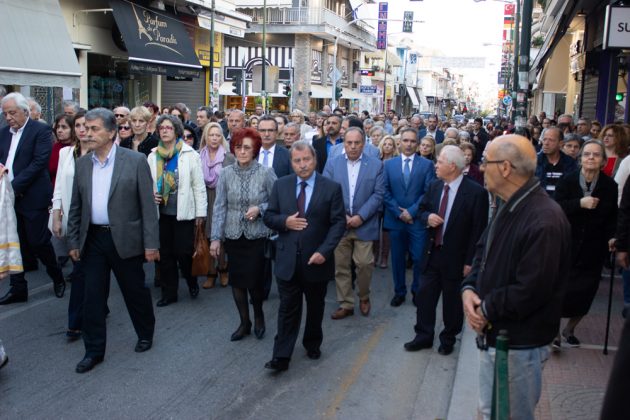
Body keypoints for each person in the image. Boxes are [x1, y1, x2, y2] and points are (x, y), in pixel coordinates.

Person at [461, 134, 571, 420]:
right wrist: (469, 288)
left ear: (506, 167)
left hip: (518, 346)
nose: (482, 168)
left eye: (487, 162)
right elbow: (483, 251)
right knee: (489, 413)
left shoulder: (543, 218)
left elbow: (531, 290)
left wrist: (484, 308)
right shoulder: (509, 203)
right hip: (499, 338)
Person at [67, 108, 159, 373]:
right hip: (93, 239)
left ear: (111, 132)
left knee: (134, 291)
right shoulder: (83, 163)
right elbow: (76, 205)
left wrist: (151, 245)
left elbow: (147, 207)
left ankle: (145, 332)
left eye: (94, 129)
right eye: (85, 128)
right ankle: (93, 350)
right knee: (92, 297)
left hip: (124, 239)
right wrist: (74, 241)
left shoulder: (135, 161)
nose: (87, 133)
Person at [262, 141, 346, 371]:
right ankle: (281, 356)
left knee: (315, 306)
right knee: (287, 308)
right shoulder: (281, 185)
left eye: (306, 160)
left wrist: (324, 251)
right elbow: (268, 216)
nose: (302, 165)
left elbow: (338, 224)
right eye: (297, 161)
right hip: (287, 259)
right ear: (291, 163)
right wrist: (285, 222)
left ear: (315, 160)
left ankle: (312, 343)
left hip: (316, 261)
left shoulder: (331, 188)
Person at [404, 146, 487, 355]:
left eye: (440, 162)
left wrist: (470, 262)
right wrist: (427, 218)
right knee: (425, 297)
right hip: (432, 254)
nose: (436, 165)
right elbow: (422, 210)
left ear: (452, 166)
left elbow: (479, 231)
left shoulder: (476, 193)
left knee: (452, 303)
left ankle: (448, 339)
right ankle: (423, 336)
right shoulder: (434, 186)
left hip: (457, 259)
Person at [210, 128, 277, 341]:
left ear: (255, 149)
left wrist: (260, 209)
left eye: (247, 147)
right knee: (237, 282)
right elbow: (219, 206)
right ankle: (244, 322)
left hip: (257, 236)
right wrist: (215, 238)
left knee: (255, 283)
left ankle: (258, 316)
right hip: (233, 236)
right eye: (238, 147)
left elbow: (277, 201)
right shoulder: (226, 173)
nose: (242, 151)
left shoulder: (265, 173)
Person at [0, 92, 65, 304]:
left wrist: (12, 186)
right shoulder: (2, 133)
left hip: (32, 196)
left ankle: (57, 276)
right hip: (8, 198)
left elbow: (39, 164)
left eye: (12, 113)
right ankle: (18, 288)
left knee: (39, 242)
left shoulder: (41, 130)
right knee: (13, 242)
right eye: (5, 113)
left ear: (25, 112)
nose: (8, 117)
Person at [553, 140, 617, 349]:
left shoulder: (609, 186)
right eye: (587, 154)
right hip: (566, 244)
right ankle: (554, 331)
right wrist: (579, 203)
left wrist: (612, 237)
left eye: (596, 155)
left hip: (593, 248)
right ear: (580, 159)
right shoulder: (568, 181)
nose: (591, 158)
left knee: (586, 292)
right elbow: (556, 208)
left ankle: (570, 329)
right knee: (559, 289)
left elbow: (612, 218)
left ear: (603, 161)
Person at [323, 127, 384, 319]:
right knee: (341, 267)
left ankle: (364, 296)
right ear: (343, 143)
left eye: (357, 143)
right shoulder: (333, 164)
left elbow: (378, 194)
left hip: (364, 224)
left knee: (364, 264)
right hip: (340, 225)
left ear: (363, 144)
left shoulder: (376, 165)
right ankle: (346, 303)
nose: (353, 147)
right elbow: (326, 192)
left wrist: (361, 216)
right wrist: (343, 216)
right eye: (349, 143)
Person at [148, 114, 207, 307]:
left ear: (176, 131)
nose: (164, 131)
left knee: (183, 252)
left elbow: (198, 186)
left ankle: (191, 281)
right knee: (165, 255)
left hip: (184, 213)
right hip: (161, 214)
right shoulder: (153, 155)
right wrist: (152, 195)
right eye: (161, 128)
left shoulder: (189, 154)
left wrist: (201, 215)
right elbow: (148, 183)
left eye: (168, 128)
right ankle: (169, 293)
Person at [383, 127, 435, 307]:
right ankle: (399, 292)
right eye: (405, 140)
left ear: (418, 144)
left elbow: (428, 191)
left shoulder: (427, 165)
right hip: (396, 220)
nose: (409, 144)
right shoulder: (389, 165)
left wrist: (411, 212)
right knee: (397, 259)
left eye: (413, 141)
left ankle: (416, 290)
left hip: (417, 220)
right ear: (400, 143)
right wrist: (399, 213)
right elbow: (385, 191)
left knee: (419, 257)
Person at [51, 111, 92, 340]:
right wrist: (57, 215)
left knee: (83, 272)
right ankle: (80, 318)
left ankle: (75, 322)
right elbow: (58, 187)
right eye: (77, 125)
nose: (82, 130)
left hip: (95, 224)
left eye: (86, 125)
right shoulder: (66, 153)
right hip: (73, 222)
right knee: (80, 271)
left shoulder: (100, 154)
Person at [199, 123, 234, 289]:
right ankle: (210, 273)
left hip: (222, 198)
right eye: (211, 135)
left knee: (220, 236)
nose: (214, 138)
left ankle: (223, 270)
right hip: (203, 198)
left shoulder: (229, 157)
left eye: (217, 135)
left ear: (222, 138)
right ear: (206, 136)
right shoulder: (198, 156)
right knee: (206, 236)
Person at [535, 126, 577, 197]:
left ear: (560, 143)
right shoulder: (534, 161)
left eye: (551, 140)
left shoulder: (570, 163)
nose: (546, 143)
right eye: (544, 139)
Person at [49, 114, 74, 186]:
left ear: (72, 129)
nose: (59, 130)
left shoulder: (76, 148)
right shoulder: (54, 147)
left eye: (64, 127)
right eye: (58, 127)